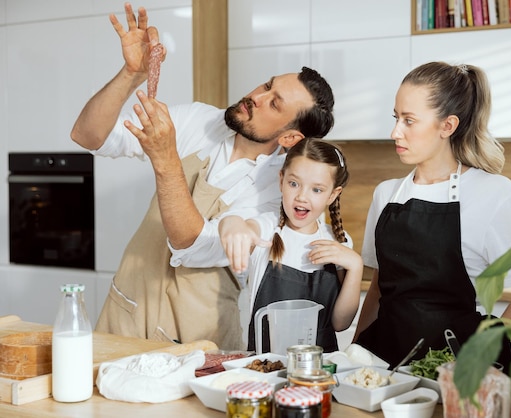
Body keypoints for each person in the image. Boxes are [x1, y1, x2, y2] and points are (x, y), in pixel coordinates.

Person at [69, 3, 334, 350]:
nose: (256, 96)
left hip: (196, 342)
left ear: (289, 138)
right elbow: (89, 136)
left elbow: (189, 244)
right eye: (266, 85)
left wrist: (165, 158)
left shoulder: (279, 195)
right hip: (126, 312)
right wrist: (131, 74)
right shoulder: (199, 120)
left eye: (274, 103)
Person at [352, 62, 511, 372]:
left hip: (458, 367)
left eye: (409, 121)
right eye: (396, 118)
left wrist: (477, 360)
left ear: (447, 126)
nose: (395, 132)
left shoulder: (493, 193)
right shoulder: (386, 194)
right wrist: (355, 353)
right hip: (385, 365)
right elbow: (378, 287)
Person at [219, 139, 363, 353]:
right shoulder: (268, 228)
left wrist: (355, 266)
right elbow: (244, 228)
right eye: (294, 184)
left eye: (316, 189)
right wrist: (232, 224)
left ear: (332, 195)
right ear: (281, 181)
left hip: (318, 371)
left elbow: (340, 323)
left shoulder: (339, 242)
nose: (302, 197)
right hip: (266, 366)